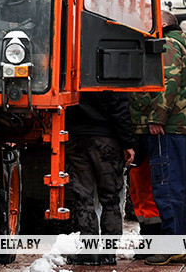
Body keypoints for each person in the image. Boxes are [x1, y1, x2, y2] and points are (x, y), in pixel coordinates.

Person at [130, 10, 186, 266]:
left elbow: (167, 82)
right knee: (173, 189)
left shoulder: (167, 44)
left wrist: (156, 117)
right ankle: (177, 246)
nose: (144, 23)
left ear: (163, 24)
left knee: (166, 187)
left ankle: (173, 248)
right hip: (176, 127)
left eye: (149, 19)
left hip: (167, 128)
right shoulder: (179, 44)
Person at [65, 91, 135, 266]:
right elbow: (120, 108)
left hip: (76, 138)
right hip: (107, 140)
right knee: (111, 198)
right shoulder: (111, 68)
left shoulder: (71, 66)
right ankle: (109, 252)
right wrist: (127, 142)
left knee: (84, 197)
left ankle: (89, 252)